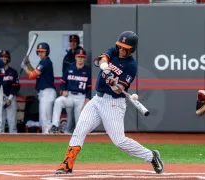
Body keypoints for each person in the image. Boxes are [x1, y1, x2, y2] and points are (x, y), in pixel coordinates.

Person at [55, 31, 164, 175]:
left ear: (131, 49)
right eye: (120, 46)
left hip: (113, 103)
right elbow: (102, 59)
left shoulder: (131, 66)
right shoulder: (114, 50)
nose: (121, 50)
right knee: (80, 129)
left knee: (119, 141)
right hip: (97, 99)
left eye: (125, 48)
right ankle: (67, 163)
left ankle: (151, 156)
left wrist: (113, 83)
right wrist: (106, 68)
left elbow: (120, 90)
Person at [49, 49, 91, 134]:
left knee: (79, 122)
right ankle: (55, 126)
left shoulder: (87, 71)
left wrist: (87, 99)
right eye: (79, 57)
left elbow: (89, 87)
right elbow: (63, 83)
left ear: (85, 58)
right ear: (75, 57)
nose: (80, 59)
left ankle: (79, 137)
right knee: (58, 101)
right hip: (70, 96)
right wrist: (63, 90)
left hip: (81, 98)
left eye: (82, 57)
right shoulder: (69, 69)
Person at [21, 42, 56, 134]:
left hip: (48, 92)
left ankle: (48, 137)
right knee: (43, 119)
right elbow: (35, 71)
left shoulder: (46, 62)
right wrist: (28, 63)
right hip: (44, 93)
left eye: (43, 51)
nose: (40, 53)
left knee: (46, 119)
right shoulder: (43, 61)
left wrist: (24, 68)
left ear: (47, 52)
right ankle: (46, 136)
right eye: (39, 51)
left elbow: (33, 75)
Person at [0, 50, 20, 133]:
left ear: (9, 59)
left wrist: (10, 98)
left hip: (10, 97)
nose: (3, 58)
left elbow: (15, 86)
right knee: (0, 120)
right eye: (2, 57)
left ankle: (14, 140)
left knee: (12, 121)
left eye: (5, 57)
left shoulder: (13, 72)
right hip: (0, 97)